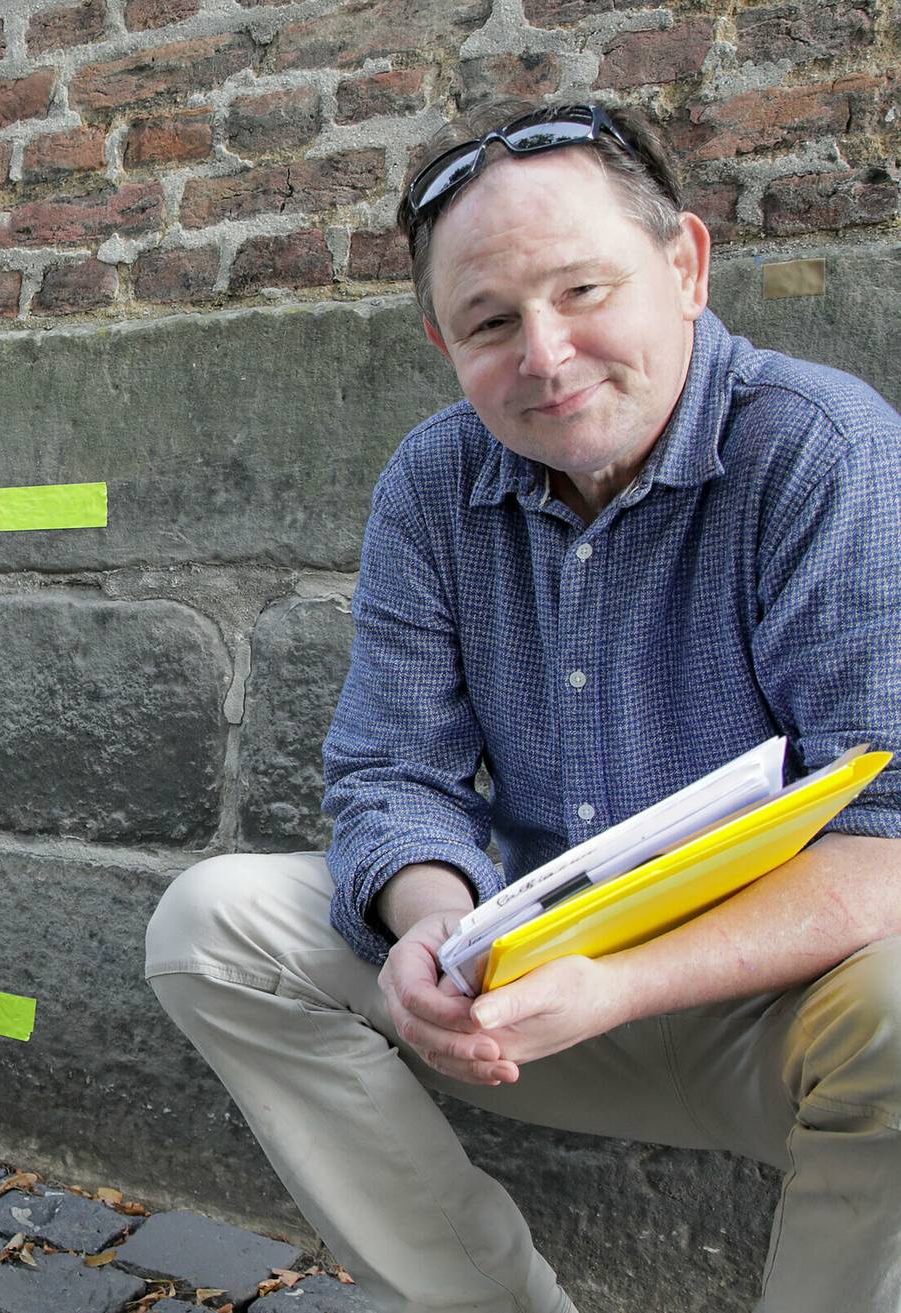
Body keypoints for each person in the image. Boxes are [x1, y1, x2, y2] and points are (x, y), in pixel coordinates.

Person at [145, 99, 901, 1311]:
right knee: (212, 927)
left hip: (772, 1011)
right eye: (491, 320)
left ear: (686, 266)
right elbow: (392, 772)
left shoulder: (827, 451)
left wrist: (623, 982)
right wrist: (426, 929)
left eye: (585, 292)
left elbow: (891, 832)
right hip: (520, 984)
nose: (544, 356)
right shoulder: (434, 482)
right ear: (445, 343)